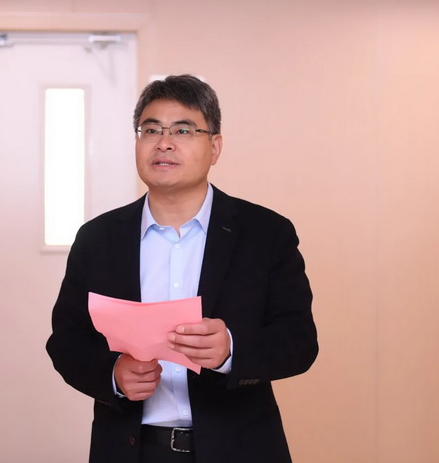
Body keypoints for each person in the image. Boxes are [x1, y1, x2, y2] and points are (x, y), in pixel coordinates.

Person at [46, 74, 318, 463]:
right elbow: (66, 341)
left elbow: (299, 341)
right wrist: (113, 374)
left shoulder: (265, 233)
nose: (164, 142)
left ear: (215, 147)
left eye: (183, 130)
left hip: (239, 450)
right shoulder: (98, 238)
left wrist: (231, 350)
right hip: (131, 450)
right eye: (151, 130)